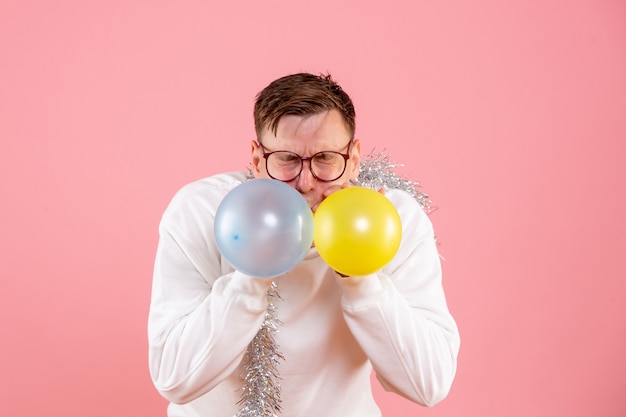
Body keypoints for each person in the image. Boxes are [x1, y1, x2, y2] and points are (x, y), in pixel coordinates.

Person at [148, 72, 460, 417]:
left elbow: (428, 385)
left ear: (354, 158)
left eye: (326, 158)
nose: (307, 183)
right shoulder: (202, 212)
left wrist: (361, 278)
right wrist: (253, 273)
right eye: (287, 159)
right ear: (256, 160)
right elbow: (174, 379)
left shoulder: (393, 221)